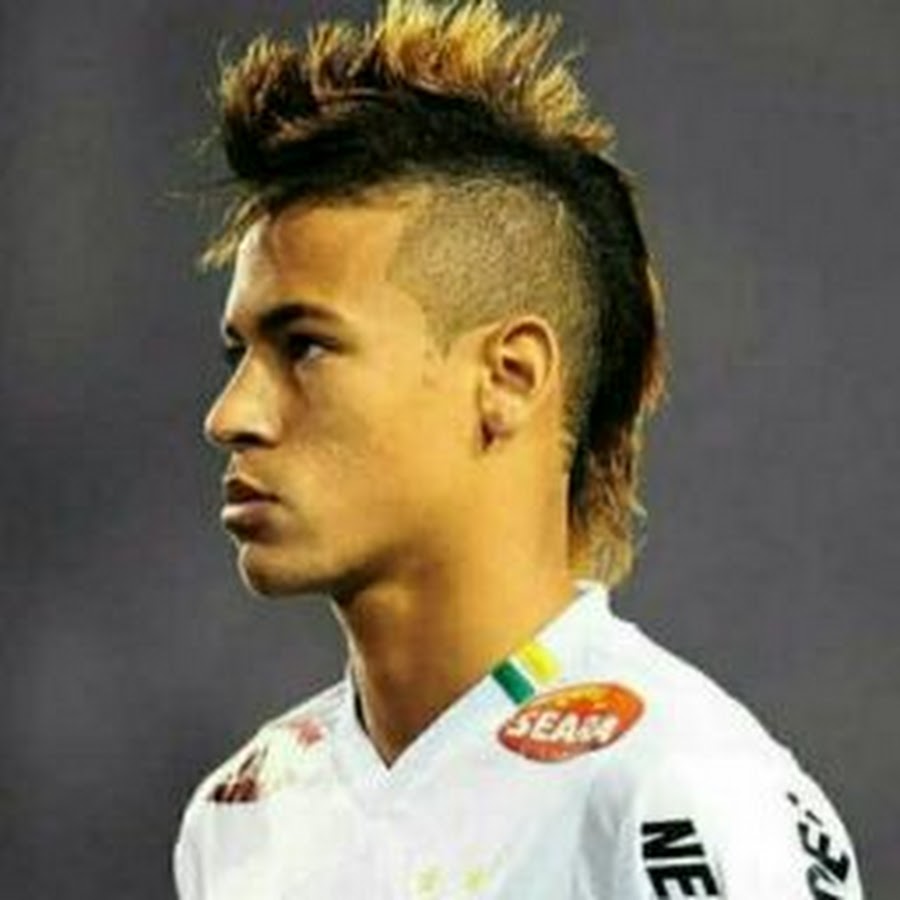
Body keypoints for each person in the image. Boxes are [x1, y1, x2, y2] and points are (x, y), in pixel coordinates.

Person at [174, 1, 864, 897]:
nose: (231, 415)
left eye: (304, 346)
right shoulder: (241, 819)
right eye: (239, 355)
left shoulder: (678, 794)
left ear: (508, 378)